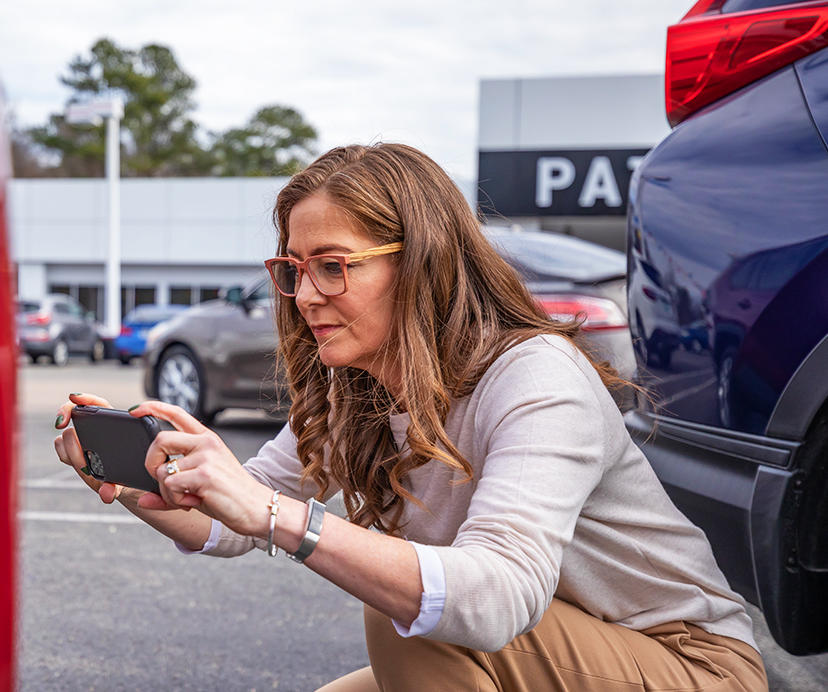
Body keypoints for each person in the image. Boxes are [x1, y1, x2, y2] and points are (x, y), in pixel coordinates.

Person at [52, 143, 767, 692]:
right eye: (294, 268)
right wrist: (157, 487)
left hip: (690, 665)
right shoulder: (357, 389)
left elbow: (495, 599)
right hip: (555, 653)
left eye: (333, 266)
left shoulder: (534, 378)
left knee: (412, 620)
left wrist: (278, 516)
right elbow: (230, 524)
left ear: (421, 263)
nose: (305, 295)